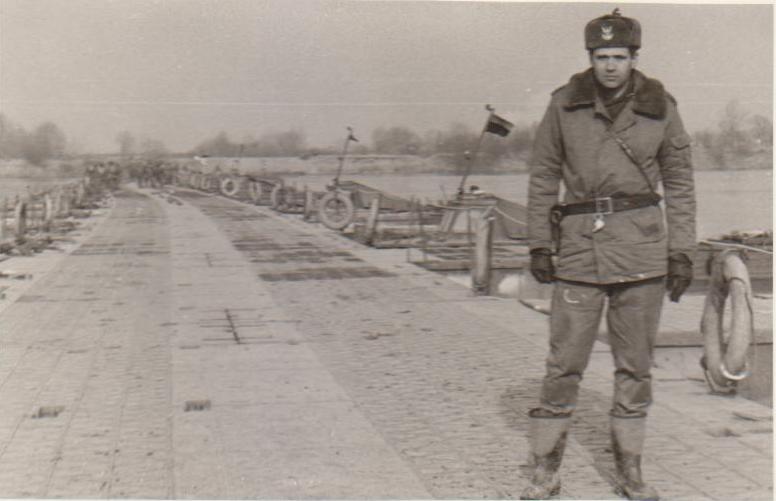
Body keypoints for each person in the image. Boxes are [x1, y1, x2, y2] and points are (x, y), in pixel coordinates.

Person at [522, 9, 696, 501]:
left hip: (642, 252)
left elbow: (680, 183)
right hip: (579, 250)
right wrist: (539, 242)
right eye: (601, 57)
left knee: (635, 366)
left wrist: (681, 251)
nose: (611, 66)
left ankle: (629, 472)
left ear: (634, 57)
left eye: (619, 56)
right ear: (591, 58)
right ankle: (545, 470)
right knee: (563, 364)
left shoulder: (660, 107)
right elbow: (543, 175)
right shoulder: (564, 105)